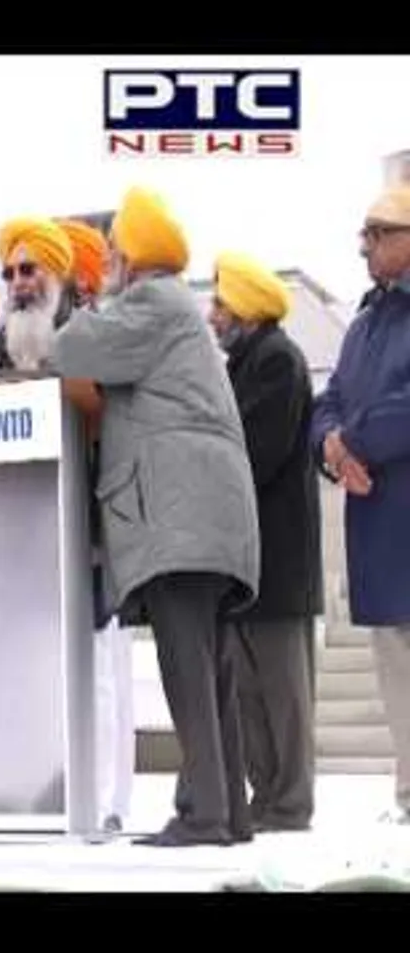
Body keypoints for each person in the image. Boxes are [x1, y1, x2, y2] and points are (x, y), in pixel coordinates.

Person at [51, 186, 260, 847]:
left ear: (133, 256)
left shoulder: (150, 302)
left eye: (113, 251)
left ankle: (205, 814)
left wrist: (79, 303)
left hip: (180, 513)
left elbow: (72, 351)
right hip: (207, 512)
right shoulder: (177, 309)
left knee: (185, 662)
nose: (108, 261)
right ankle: (228, 811)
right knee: (211, 666)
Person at [208, 251, 322, 833]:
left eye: (220, 304)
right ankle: (267, 796)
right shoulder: (242, 365)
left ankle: (291, 802)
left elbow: (255, 454)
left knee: (283, 692)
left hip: (279, 558)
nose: (212, 316)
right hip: (247, 559)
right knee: (250, 691)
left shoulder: (278, 361)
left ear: (246, 309)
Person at [311, 184, 410, 825]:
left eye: (378, 232)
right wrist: (332, 447)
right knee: (394, 659)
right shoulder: (365, 323)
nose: (365, 246)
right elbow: (329, 401)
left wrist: (356, 443)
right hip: (376, 515)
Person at [55, 216, 136, 835]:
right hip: (43, 532)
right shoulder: (20, 338)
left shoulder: (102, 334)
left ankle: (110, 799)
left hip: (102, 527)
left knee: (106, 669)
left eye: (39, 269)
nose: (23, 282)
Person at [0, 219, 75, 373]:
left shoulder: (84, 338)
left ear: (55, 275)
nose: (17, 283)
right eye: (9, 274)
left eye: (27, 270)